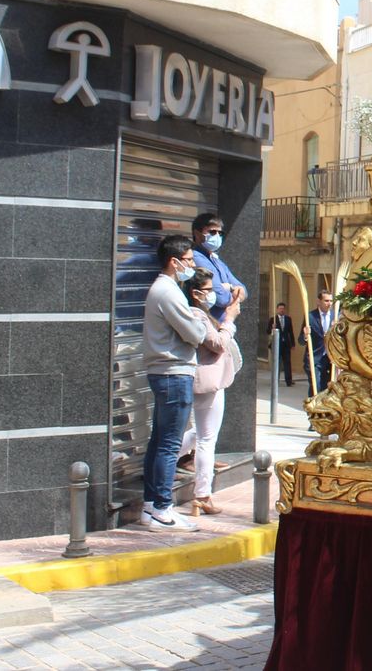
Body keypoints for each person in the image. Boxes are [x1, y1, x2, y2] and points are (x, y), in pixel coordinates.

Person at [140, 235, 208, 532]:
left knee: (159, 441)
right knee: (169, 445)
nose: (192, 265)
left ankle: (151, 505)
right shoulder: (168, 292)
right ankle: (163, 509)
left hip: (166, 373)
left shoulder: (166, 290)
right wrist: (199, 316)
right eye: (190, 260)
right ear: (175, 261)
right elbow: (195, 334)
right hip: (174, 373)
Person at [179, 269, 239, 516]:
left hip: (210, 380)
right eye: (209, 290)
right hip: (208, 381)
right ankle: (202, 494)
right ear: (195, 293)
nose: (213, 295)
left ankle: (162, 458)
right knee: (206, 439)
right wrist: (229, 320)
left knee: (200, 434)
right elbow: (217, 344)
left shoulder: (199, 314)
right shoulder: (196, 316)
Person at [189, 213, 246, 324]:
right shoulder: (196, 258)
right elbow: (220, 298)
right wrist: (232, 289)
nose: (217, 236)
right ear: (197, 233)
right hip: (208, 326)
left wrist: (228, 288)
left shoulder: (216, 260)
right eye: (212, 232)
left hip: (224, 326)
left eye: (220, 233)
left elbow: (244, 290)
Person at [307, 288, 336, 394]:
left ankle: (323, 410)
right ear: (319, 302)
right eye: (326, 301)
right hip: (315, 358)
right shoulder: (310, 317)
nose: (329, 303)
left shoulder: (335, 316)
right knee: (316, 386)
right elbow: (301, 340)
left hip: (330, 359)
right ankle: (313, 409)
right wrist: (306, 335)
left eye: (331, 301)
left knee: (327, 388)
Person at [268, 303, 297, 387]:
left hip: (286, 344)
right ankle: (275, 381)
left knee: (287, 362)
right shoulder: (273, 319)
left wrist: (293, 343)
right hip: (277, 344)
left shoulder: (288, 319)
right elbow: (267, 331)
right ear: (277, 309)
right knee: (277, 362)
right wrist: (272, 328)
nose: (282, 310)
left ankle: (289, 381)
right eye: (280, 308)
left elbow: (290, 332)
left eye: (283, 308)